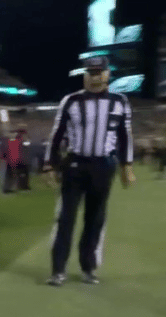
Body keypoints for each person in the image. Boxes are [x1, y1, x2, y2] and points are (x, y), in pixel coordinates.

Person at [43, 56, 135, 286]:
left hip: (103, 165)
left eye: (99, 72)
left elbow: (125, 136)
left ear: (107, 74)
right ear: (85, 75)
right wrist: (49, 164)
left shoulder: (120, 101)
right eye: (91, 73)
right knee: (65, 218)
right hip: (75, 164)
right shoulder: (71, 100)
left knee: (95, 219)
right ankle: (58, 270)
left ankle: (88, 268)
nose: (95, 77)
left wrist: (127, 166)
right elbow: (56, 134)